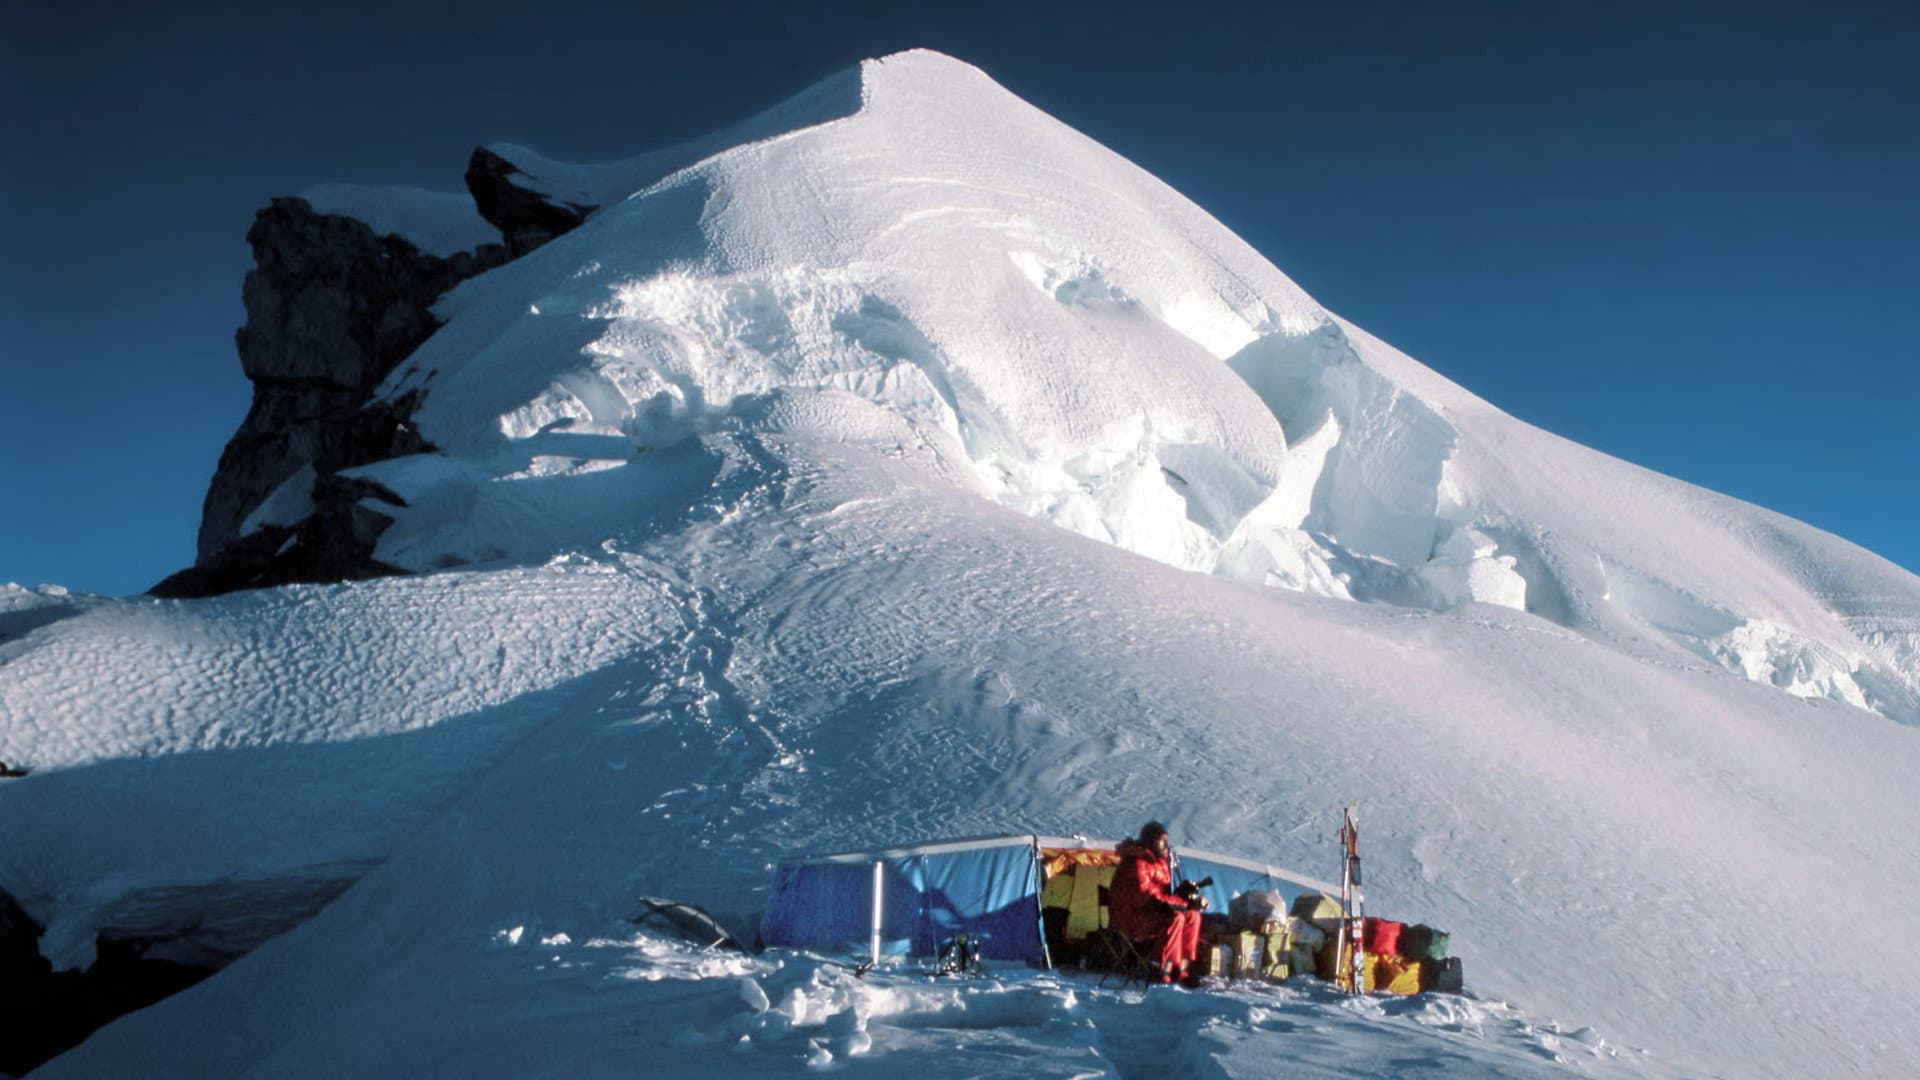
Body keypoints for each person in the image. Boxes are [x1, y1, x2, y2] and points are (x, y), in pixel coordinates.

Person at [1107, 820, 1206, 985]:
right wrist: (1181, 904)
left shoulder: (1160, 863)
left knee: (1192, 916)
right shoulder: (1135, 863)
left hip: (1150, 912)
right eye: (1163, 841)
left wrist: (1184, 897)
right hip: (1130, 918)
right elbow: (1146, 895)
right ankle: (1160, 968)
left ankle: (1184, 968)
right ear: (1152, 842)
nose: (1166, 846)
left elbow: (1162, 895)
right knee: (1176, 918)